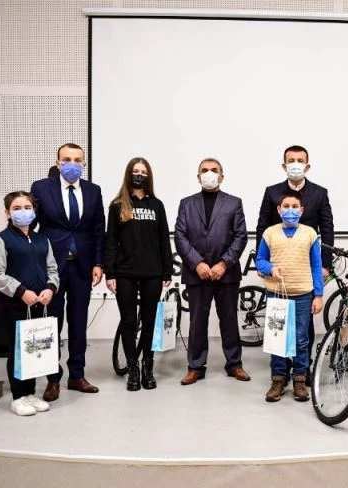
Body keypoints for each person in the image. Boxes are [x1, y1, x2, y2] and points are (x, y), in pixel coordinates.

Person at [30, 143, 106, 401]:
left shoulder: (94, 191)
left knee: (78, 322)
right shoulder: (41, 188)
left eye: (77, 160)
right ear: (58, 162)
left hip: (82, 267)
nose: (72, 164)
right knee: (52, 322)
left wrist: (98, 263)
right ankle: (53, 379)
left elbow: (98, 230)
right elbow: (31, 226)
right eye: (66, 159)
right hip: (51, 267)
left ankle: (77, 375)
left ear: (84, 164)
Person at [256, 145, 334, 373]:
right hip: (278, 266)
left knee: (303, 324)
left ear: (307, 166)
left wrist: (325, 265)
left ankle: (303, 369)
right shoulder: (272, 192)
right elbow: (262, 226)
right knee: (279, 322)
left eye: (300, 160)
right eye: (291, 160)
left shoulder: (320, 193)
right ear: (284, 165)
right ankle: (281, 370)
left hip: (305, 267)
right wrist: (262, 264)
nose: (296, 164)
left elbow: (327, 229)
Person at [174, 158, 249, 385]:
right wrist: (197, 263)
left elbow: (240, 236)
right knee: (197, 321)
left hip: (227, 273)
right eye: (205, 170)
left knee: (229, 320)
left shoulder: (234, 203)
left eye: (214, 170)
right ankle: (195, 367)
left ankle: (234, 364)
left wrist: (224, 263)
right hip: (196, 274)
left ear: (222, 176)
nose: (209, 173)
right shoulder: (186, 203)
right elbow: (180, 235)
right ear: (198, 177)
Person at [0, 191, 59, 416]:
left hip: (39, 304)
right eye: (16, 208)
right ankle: (18, 397)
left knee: (33, 349)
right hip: (14, 304)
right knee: (18, 349)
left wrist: (50, 288)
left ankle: (30, 393)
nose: (23, 212)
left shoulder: (42, 240)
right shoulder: (1, 240)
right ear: (7, 213)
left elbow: (52, 268)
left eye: (27, 207)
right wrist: (20, 291)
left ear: (34, 211)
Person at [104, 157, 174, 391]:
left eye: (144, 172)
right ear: (128, 174)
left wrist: (167, 270)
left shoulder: (157, 205)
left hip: (152, 272)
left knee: (150, 321)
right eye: (136, 171)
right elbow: (111, 241)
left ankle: (147, 367)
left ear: (149, 176)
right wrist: (110, 273)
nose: (139, 175)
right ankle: (132, 368)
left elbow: (164, 239)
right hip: (125, 273)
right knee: (128, 322)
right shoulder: (117, 205)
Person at [256, 191, 323, 402]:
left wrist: (318, 295)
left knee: (301, 339)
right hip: (276, 294)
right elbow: (260, 260)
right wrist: (270, 268)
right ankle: (278, 379)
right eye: (286, 206)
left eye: (295, 207)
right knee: (277, 337)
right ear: (279, 209)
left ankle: (299, 379)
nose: (290, 210)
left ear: (302, 210)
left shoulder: (310, 233)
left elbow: (317, 266)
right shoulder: (269, 233)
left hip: (303, 294)